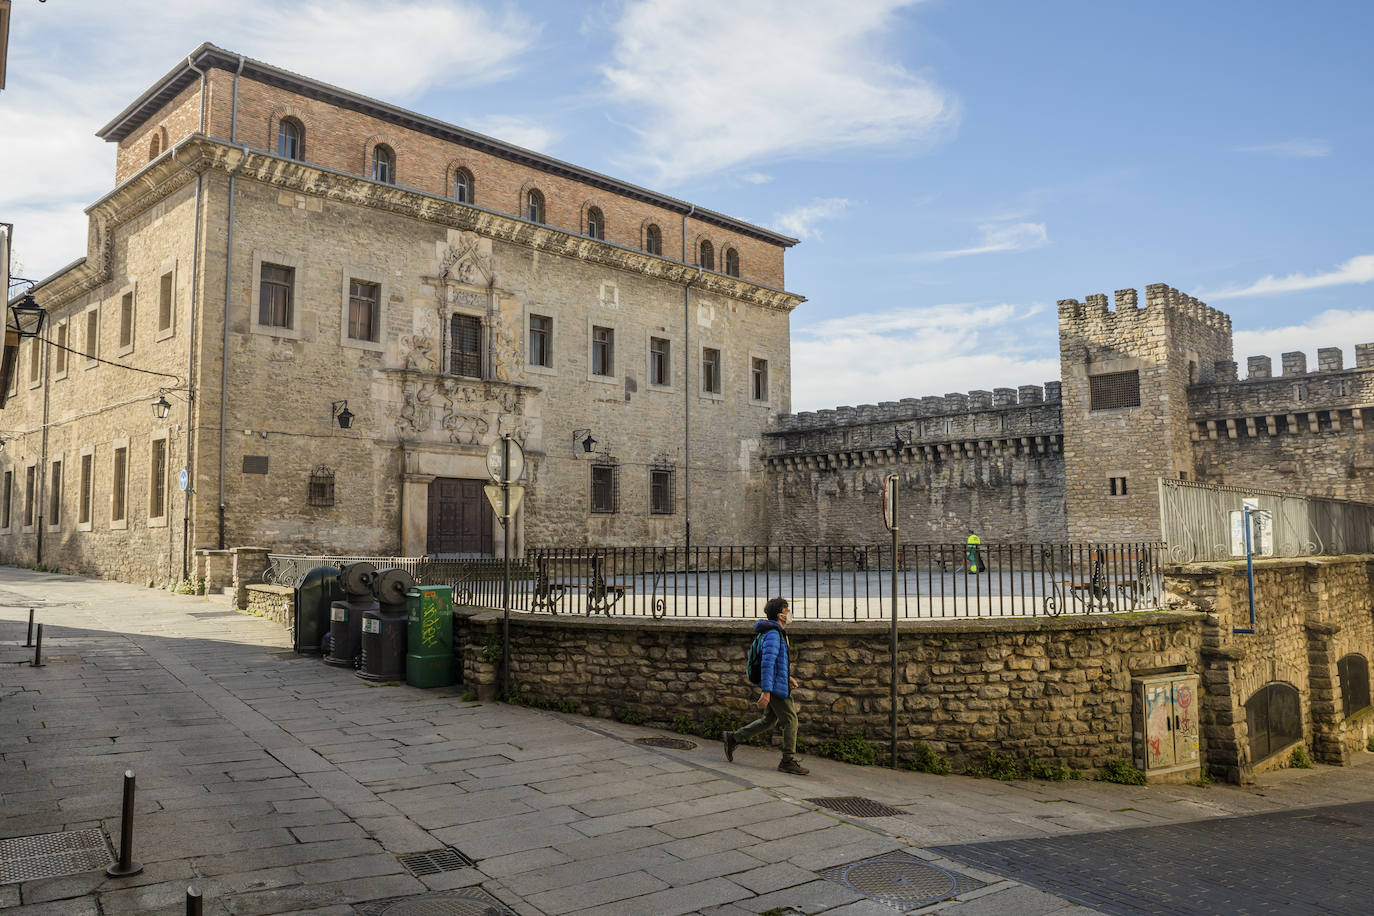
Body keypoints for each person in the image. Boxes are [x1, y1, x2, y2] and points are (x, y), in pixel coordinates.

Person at [723, 597, 808, 775]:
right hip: (775, 686)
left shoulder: (775, 632)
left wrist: (788, 677)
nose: (789, 614)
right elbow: (767, 664)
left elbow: (776, 661)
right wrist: (767, 692)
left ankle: (733, 737)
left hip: (778, 681)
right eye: (787, 611)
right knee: (791, 720)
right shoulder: (773, 634)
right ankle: (787, 760)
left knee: (769, 720)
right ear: (780, 615)